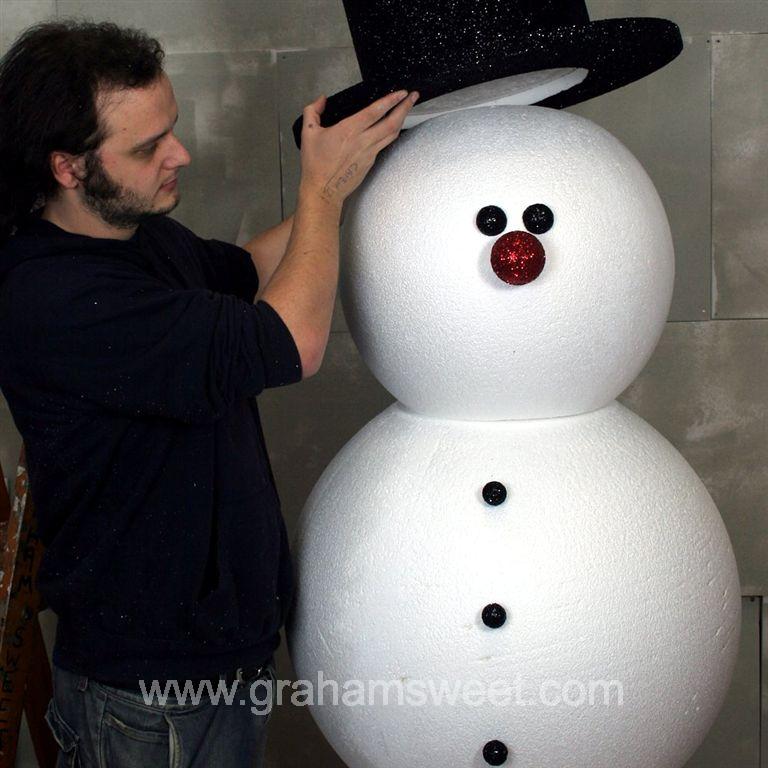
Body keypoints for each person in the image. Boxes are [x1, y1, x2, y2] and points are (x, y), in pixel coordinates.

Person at [0, 18, 417, 768]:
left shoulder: (135, 234)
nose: (179, 155)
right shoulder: (53, 297)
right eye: (147, 146)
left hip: (217, 664)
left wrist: (362, 178)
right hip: (148, 696)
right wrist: (322, 187)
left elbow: (255, 271)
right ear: (67, 166)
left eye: (173, 130)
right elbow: (290, 342)